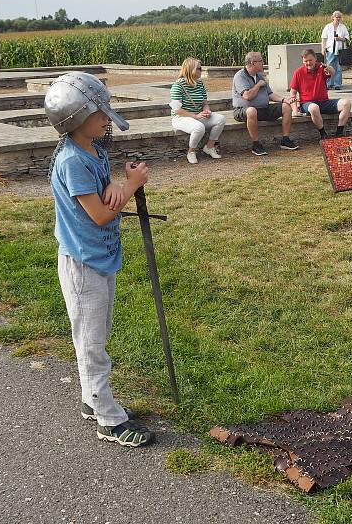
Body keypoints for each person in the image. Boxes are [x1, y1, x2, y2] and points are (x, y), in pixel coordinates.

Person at [44, 71, 155, 447]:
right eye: (100, 112)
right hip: (82, 264)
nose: (107, 118)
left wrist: (112, 184)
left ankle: (92, 400)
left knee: (95, 335)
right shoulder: (72, 161)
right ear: (76, 118)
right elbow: (101, 214)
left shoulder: (94, 150)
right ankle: (108, 420)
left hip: (99, 258)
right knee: (91, 343)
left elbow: (103, 190)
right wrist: (131, 185)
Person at [232, 51, 299, 156]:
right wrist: (258, 85)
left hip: (263, 108)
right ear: (253, 62)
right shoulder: (240, 76)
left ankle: (285, 140)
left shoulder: (259, 75)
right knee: (252, 111)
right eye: (261, 61)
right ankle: (256, 144)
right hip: (243, 110)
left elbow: (270, 94)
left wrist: (284, 100)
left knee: (286, 107)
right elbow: (247, 96)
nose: (263, 63)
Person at [170, 57, 226, 164]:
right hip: (181, 117)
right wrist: (195, 116)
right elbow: (177, 110)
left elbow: (204, 103)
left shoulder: (200, 83)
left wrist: (207, 111)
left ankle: (209, 147)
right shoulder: (178, 86)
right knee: (199, 127)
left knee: (221, 119)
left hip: (198, 115)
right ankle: (191, 152)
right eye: (199, 68)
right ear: (190, 70)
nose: (201, 70)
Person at [289, 49, 352, 138]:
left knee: (346, 103)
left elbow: (333, 73)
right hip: (307, 103)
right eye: (305, 61)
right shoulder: (298, 72)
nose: (308, 63)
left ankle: (339, 132)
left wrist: (328, 68)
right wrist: (295, 109)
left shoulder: (321, 67)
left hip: (324, 102)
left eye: (310, 60)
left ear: (315, 59)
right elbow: (292, 92)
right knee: (314, 108)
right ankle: (323, 133)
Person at [320, 11, 350, 90]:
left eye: (339, 17)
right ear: (333, 17)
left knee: (338, 68)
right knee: (329, 67)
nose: (338, 18)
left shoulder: (343, 27)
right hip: (330, 50)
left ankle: (337, 84)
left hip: (340, 50)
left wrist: (339, 38)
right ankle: (329, 83)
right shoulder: (328, 26)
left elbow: (347, 38)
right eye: (336, 17)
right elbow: (323, 38)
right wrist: (323, 49)